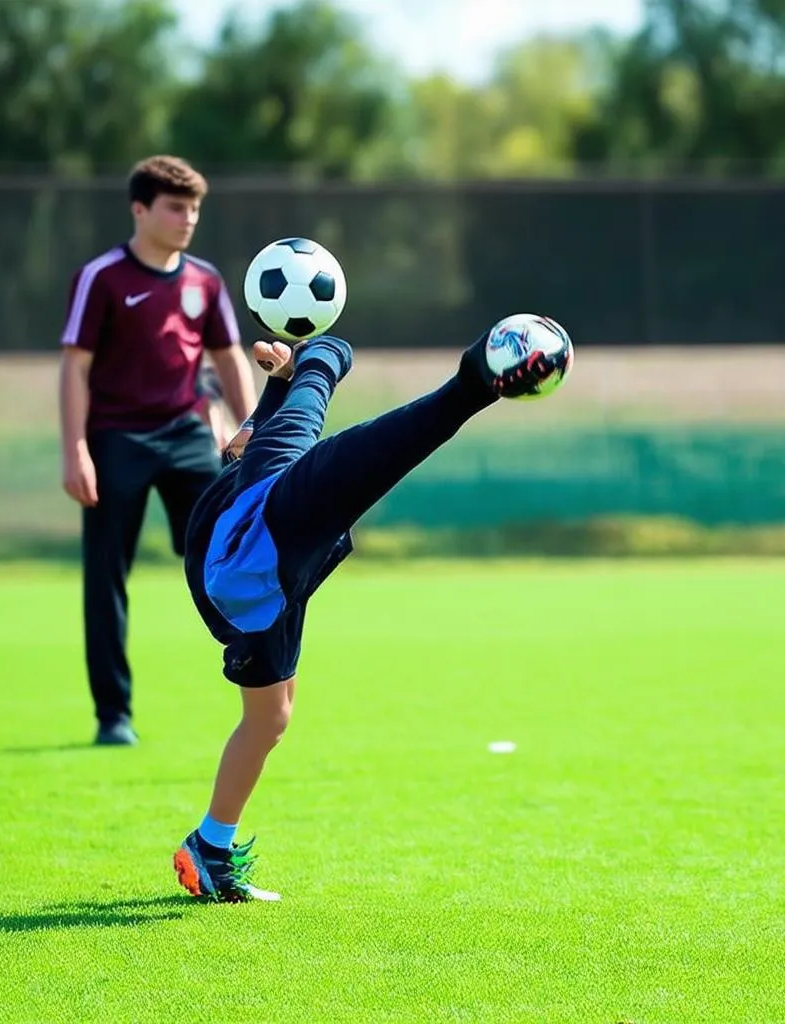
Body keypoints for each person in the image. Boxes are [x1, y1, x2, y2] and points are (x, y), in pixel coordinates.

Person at [172, 328, 565, 901]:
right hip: (251, 553)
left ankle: (209, 849)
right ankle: (465, 379)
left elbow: (287, 412)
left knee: (270, 719)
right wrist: (479, 374)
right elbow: (365, 412)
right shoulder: (293, 477)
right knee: (348, 401)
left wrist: (284, 379)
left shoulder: (273, 460)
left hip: (261, 575)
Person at [59, 155, 258, 747]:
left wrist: (249, 431)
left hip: (186, 435)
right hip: (116, 438)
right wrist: (76, 450)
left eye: (194, 208)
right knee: (106, 578)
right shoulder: (102, 278)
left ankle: (258, 681)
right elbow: (75, 368)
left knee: (234, 548)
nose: (187, 218)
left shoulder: (205, 280)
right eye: (175, 206)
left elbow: (227, 359)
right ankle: (113, 715)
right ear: (139, 209)